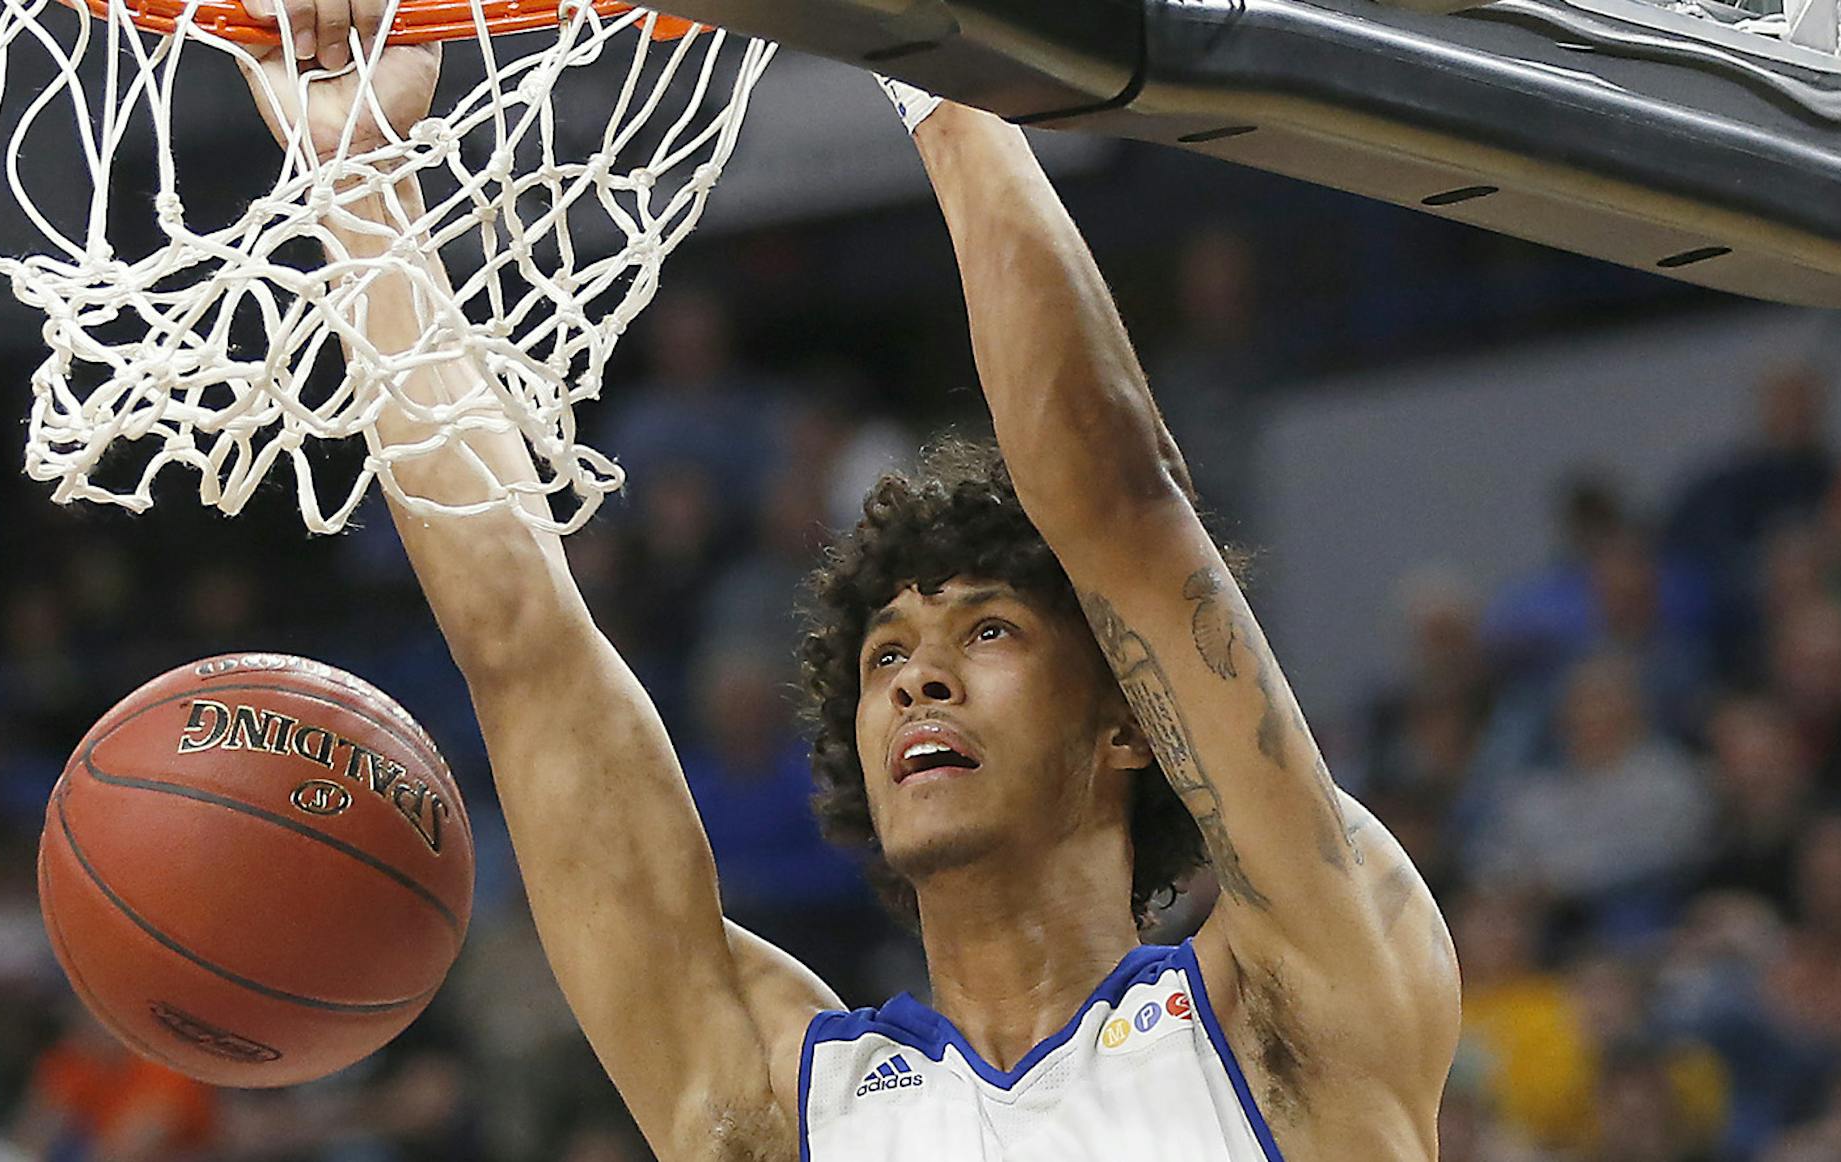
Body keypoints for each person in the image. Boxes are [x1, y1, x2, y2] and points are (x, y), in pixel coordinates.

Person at [233, 8, 1460, 1158]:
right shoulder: (785, 1103)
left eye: (986, 631)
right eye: (885, 658)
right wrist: (357, 187)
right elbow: (523, 651)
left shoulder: (1294, 996)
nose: (919, 675)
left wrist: (939, 65)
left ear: (1129, 722)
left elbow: (1122, 506)